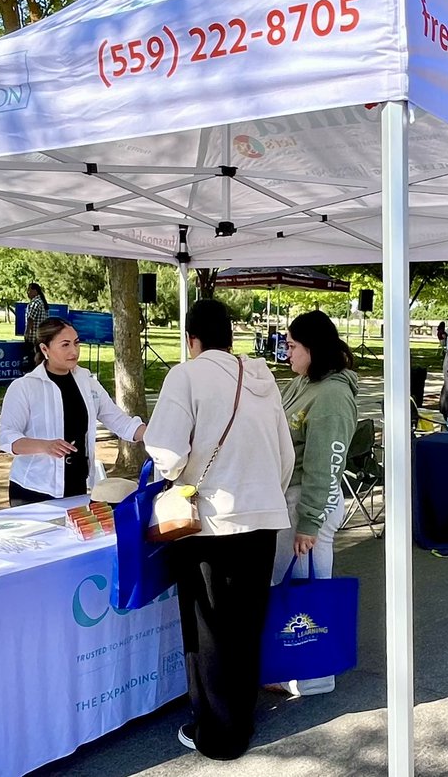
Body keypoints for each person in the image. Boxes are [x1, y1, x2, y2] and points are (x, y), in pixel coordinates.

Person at [143, 299, 293, 761]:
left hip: (211, 520)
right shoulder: (261, 378)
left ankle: (219, 733)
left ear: (192, 339)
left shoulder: (185, 376)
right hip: (264, 517)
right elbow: (285, 455)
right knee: (247, 624)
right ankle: (240, 718)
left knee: (209, 629)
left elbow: (166, 454)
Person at [271, 310, 359, 698]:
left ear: (313, 347)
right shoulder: (304, 381)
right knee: (294, 589)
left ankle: (314, 676)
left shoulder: (333, 396)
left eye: (291, 345)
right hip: (291, 501)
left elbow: (325, 464)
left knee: (309, 593)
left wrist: (308, 523)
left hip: (306, 505)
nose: (285, 352)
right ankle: (296, 667)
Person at [0, 318, 145, 506]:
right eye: (65, 345)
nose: (73, 351)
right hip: (34, 490)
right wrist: (44, 446)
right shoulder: (24, 387)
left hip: (77, 486)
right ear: (45, 349)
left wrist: (152, 435)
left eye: (76, 343)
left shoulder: (87, 381)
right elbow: (7, 437)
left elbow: (119, 421)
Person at [22, 282, 49, 372]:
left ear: (35, 291)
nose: (27, 292)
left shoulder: (35, 303)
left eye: (29, 290)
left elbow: (30, 319)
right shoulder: (42, 303)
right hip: (42, 336)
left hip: (33, 336)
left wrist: (26, 333)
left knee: (32, 357)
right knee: (39, 357)